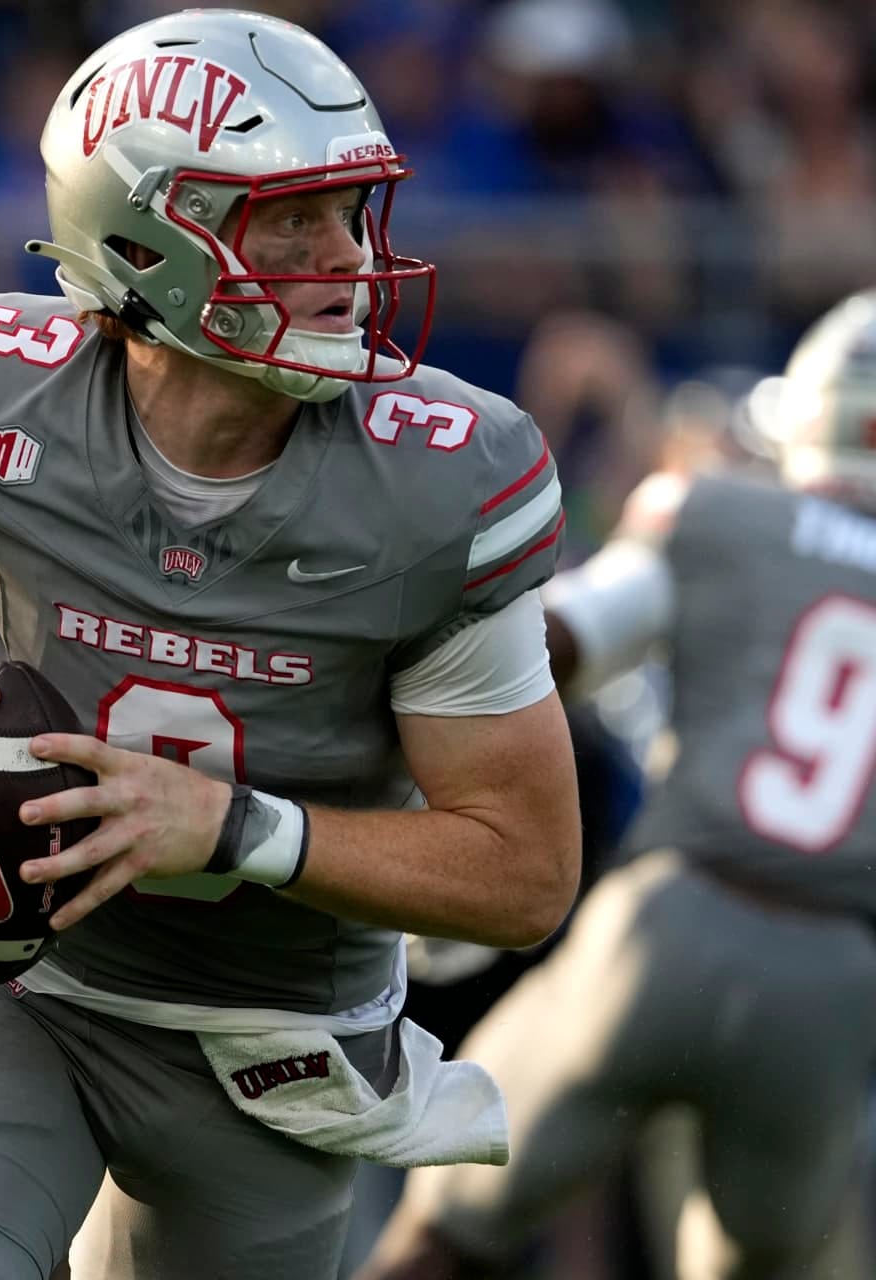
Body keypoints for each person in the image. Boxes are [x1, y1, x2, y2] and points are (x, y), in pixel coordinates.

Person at [0, 12, 581, 1280]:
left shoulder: (438, 482)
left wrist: (234, 825)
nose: (343, 260)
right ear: (142, 237)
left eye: (351, 214)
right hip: (26, 979)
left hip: (275, 1033)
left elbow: (522, 868)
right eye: (288, 221)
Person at [355, 289, 876, 1280]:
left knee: (448, 1226)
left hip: (667, 920)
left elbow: (553, 642)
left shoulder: (719, 514)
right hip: (835, 975)